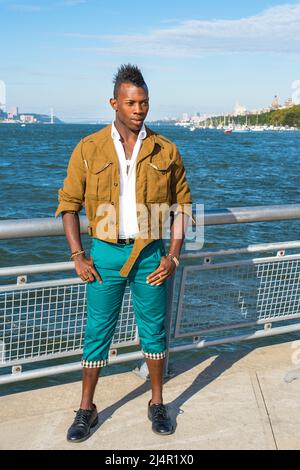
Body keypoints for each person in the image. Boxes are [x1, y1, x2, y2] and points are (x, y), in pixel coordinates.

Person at [55, 64, 193, 443]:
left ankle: (158, 402)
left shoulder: (166, 149)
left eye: (144, 102)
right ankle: (87, 408)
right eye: (131, 102)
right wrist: (77, 255)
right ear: (114, 102)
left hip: (151, 255)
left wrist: (173, 257)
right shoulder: (89, 148)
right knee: (97, 332)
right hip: (105, 255)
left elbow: (183, 206)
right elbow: (68, 203)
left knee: (154, 332)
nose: (139, 110)